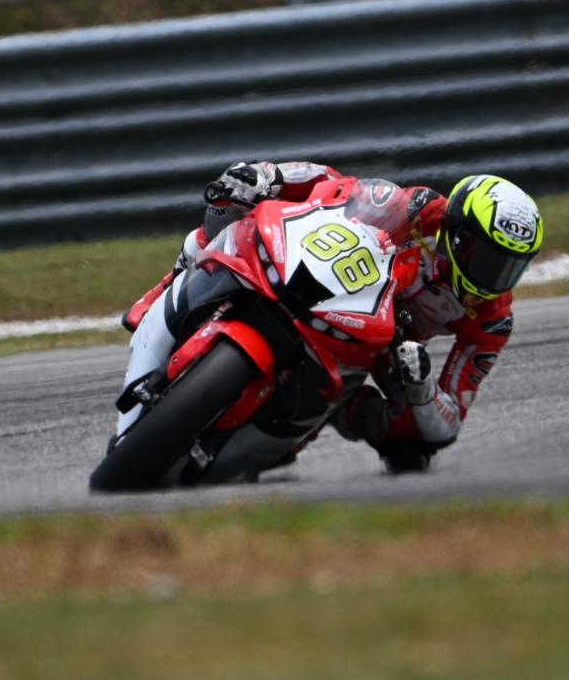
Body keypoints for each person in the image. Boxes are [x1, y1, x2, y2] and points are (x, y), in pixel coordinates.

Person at [120, 160, 544, 472]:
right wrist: (270, 176)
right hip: (336, 286)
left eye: (511, 266)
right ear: (459, 235)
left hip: (384, 346)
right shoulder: (420, 209)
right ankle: (167, 289)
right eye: (489, 258)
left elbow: (449, 420)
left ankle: (311, 420)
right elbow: (334, 183)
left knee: (411, 449)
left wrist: (422, 387)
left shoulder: (492, 320)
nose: (497, 276)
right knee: (231, 209)